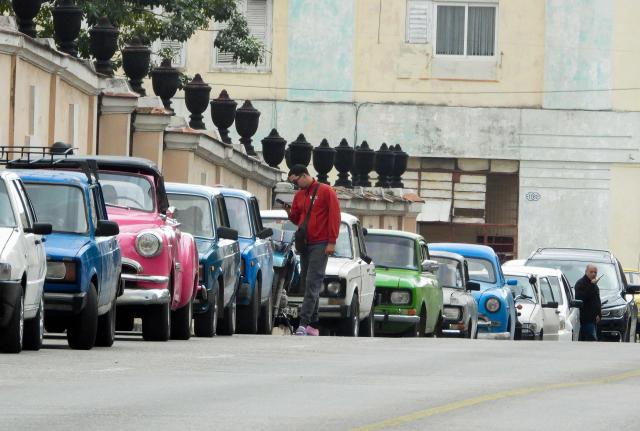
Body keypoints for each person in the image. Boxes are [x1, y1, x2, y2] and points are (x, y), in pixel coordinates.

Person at [283, 165, 340, 336]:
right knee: (307, 282)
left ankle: (303, 322)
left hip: (321, 243)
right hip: (305, 243)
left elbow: (334, 216)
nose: (296, 186)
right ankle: (313, 323)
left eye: (296, 182)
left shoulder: (326, 191)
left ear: (303, 176)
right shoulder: (299, 195)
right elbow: (297, 217)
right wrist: (289, 212)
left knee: (312, 282)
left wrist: (332, 241)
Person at [574, 264, 602, 341]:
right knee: (591, 340)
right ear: (586, 272)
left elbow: (597, 301)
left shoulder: (594, 285)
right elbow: (581, 299)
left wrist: (599, 314)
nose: (593, 274)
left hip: (594, 319)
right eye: (591, 272)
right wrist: (592, 285)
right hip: (586, 319)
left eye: (595, 272)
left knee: (594, 338)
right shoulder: (581, 283)